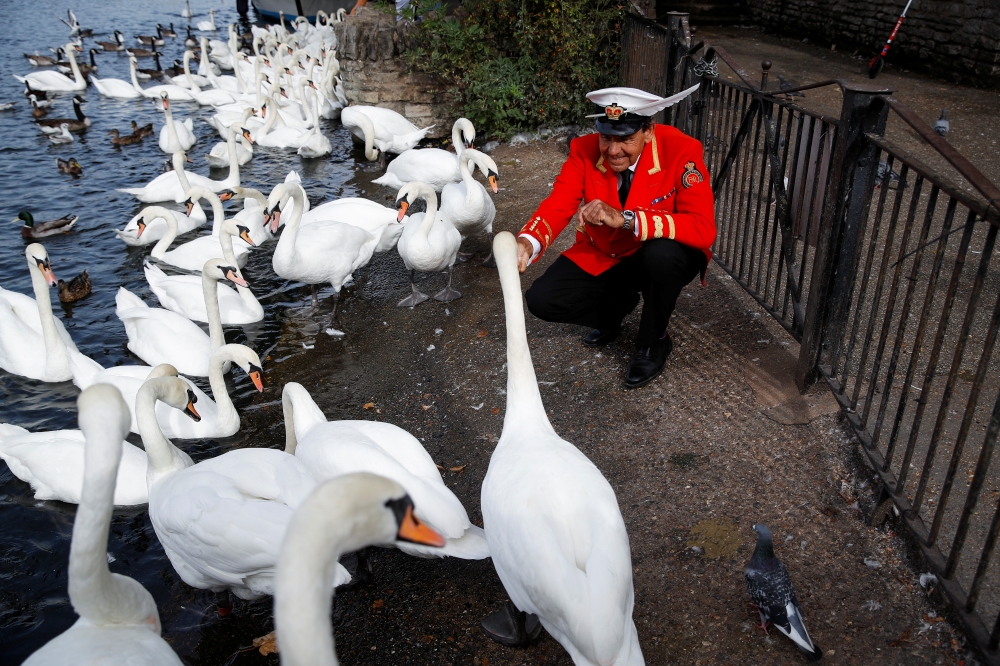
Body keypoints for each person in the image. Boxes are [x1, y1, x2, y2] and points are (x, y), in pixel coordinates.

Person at [515, 85, 716, 389]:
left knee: (661, 257)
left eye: (625, 139)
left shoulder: (681, 150)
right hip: (607, 253)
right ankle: (617, 309)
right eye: (606, 138)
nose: (612, 150)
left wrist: (626, 219)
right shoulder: (583, 150)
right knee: (541, 300)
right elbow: (559, 203)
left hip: (661, 255)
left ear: (648, 131)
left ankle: (653, 341)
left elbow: (702, 227)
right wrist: (527, 241)